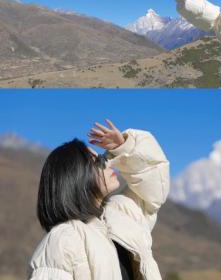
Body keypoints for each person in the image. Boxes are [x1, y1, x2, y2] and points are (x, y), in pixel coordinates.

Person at [28, 120, 169, 280]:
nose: (108, 163)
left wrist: (124, 147)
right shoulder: (62, 241)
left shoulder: (121, 214)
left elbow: (155, 184)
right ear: (76, 176)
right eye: (98, 161)